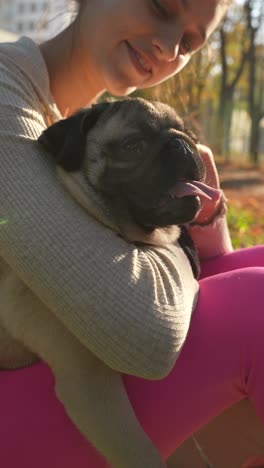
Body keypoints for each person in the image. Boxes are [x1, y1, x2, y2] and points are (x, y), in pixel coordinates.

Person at [0, 1, 263, 467]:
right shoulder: (7, 95)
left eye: (189, 43)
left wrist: (196, 220)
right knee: (256, 308)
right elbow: (145, 338)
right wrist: (181, 243)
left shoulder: (91, 117)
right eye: (160, 4)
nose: (167, 47)